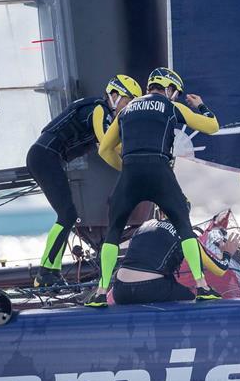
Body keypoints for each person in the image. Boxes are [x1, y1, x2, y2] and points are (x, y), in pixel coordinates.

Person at [86, 67, 221, 306]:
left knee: (114, 231)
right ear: (169, 89)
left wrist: (125, 170)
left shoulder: (126, 109)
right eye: (175, 93)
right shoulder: (172, 107)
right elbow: (212, 127)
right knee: (183, 227)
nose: (176, 97)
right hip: (159, 170)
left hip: (130, 173)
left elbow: (104, 149)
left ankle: (99, 293)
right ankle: (203, 287)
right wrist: (201, 106)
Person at [27, 74, 142, 287]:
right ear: (114, 95)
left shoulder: (108, 116)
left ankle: (49, 272)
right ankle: (45, 273)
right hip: (44, 156)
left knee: (68, 215)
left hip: (49, 158)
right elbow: (107, 144)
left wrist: (129, 167)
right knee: (67, 214)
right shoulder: (98, 110)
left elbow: (108, 149)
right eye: (127, 102)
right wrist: (133, 165)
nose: (128, 108)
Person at [111, 215, 240, 305]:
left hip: (119, 290)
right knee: (201, 300)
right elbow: (220, 269)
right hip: (151, 288)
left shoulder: (144, 226)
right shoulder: (185, 234)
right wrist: (227, 252)